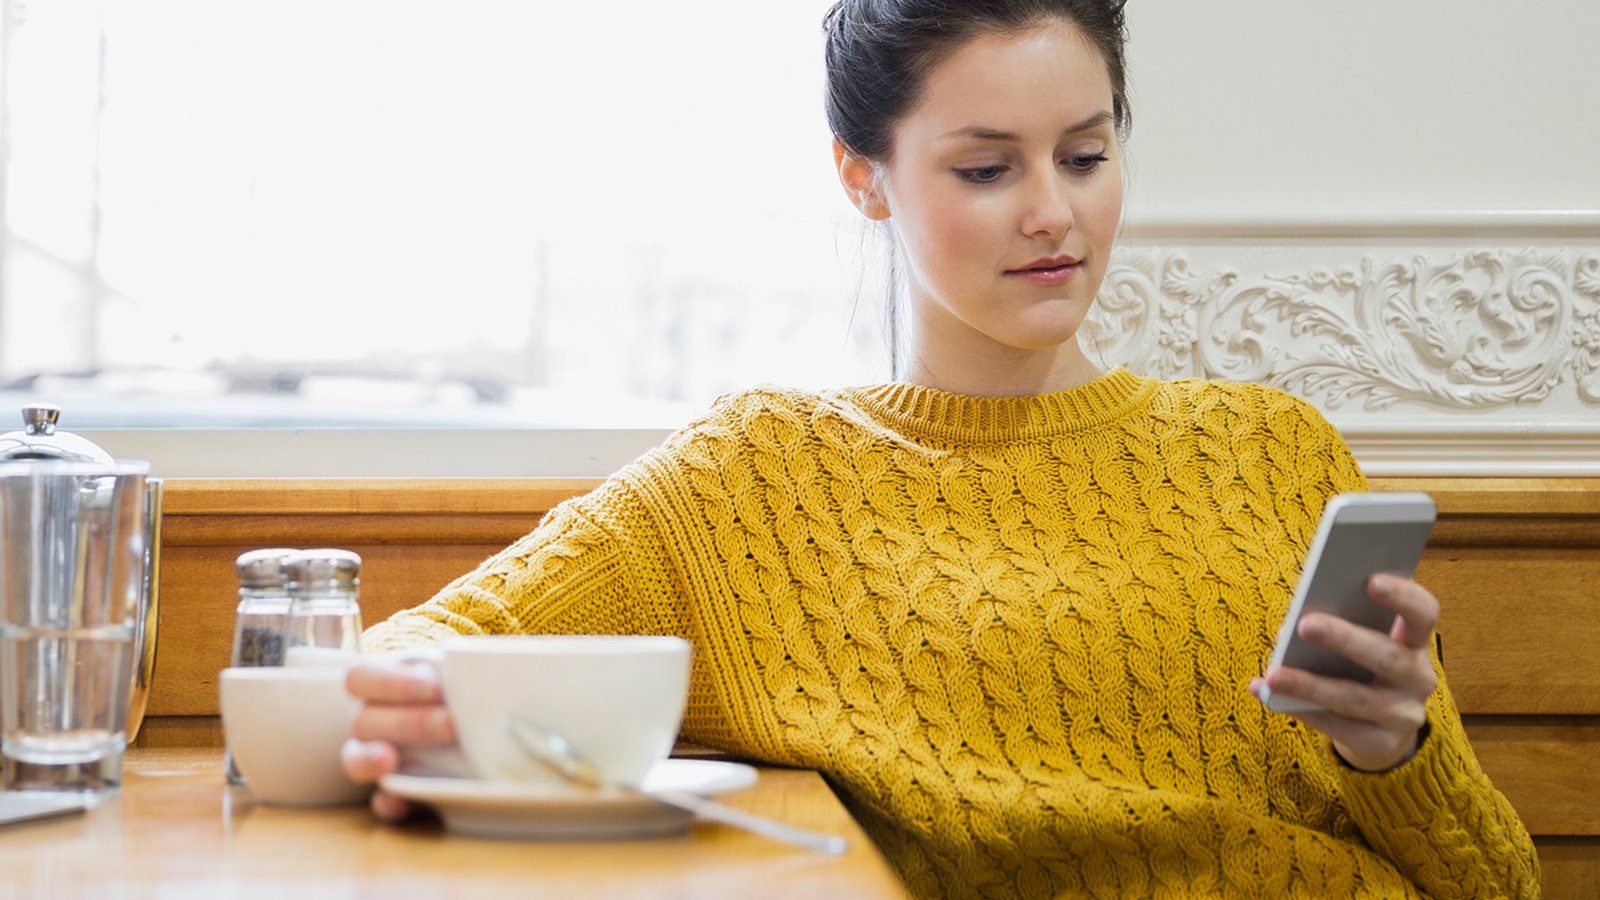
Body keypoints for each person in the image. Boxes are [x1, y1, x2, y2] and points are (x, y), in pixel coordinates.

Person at [341, 1, 1539, 896]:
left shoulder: (1273, 450)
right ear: (864, 179)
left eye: (1084, 154)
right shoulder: (755, 478)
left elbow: (1498, 885)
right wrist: (468, 722)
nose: (1051, 214)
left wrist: (1398, 751)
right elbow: (414, 650)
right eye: (984, 167)